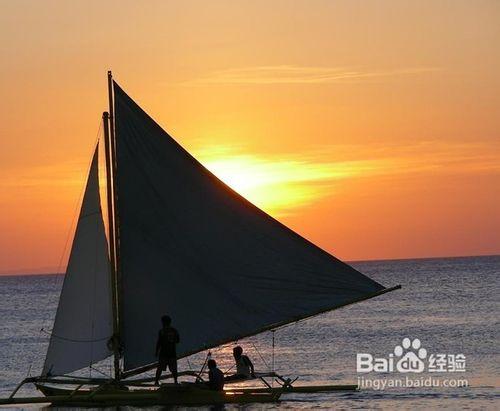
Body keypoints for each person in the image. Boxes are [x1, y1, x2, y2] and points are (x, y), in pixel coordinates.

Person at [155, 315, 180, 385]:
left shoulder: (162, 331)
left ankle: (156, 381)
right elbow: (178, 340)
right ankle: (175, 381)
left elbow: (159, 342)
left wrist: (156, 351)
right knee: (174, 369)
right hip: (172, 353)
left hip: (163, 353)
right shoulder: (174, 330)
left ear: (164, 322)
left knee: (160, 368)